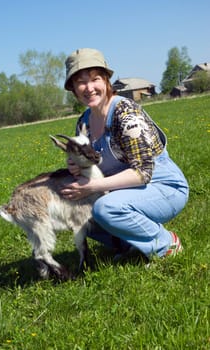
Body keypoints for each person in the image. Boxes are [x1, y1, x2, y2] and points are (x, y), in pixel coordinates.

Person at [61, 48, 189, 260]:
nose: (89, 88)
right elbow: (90, 167)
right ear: (73, 89)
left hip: (163, 188)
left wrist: (91, 186)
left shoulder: (125, 113)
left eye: (95, 79)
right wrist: (77, 167)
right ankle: (130, 245)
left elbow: (143, 174)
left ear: (106, 81)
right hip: (125, 191)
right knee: (74, 208)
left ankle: (166, 245)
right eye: (81, 82)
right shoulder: (83, 122)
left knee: (104, 208)